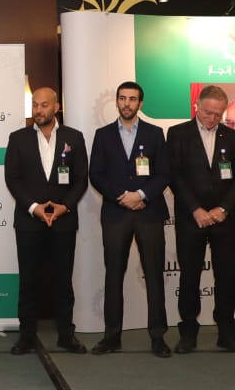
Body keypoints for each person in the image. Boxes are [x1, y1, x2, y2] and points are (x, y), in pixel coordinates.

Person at [88, 81, 172, 358]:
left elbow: (164, 173)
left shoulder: (155, 134)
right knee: (113, 275)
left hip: (149, 212)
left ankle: (158, 337)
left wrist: (142, 195)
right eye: (122, 98)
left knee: (154, 275)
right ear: (116, 101)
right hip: (116, 213)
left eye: (132, 99)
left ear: (140, 104)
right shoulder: (102, 135)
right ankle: (112, 337)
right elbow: (96, 174)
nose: (127, 103)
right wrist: (121, 197)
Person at [3, 87, 88, 355]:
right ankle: (27, 336)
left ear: (56, 107)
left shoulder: (74, 137)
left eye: (43, 105)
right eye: (35, 106)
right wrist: (34, 207)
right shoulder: (18, 138)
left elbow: (81, 179)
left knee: (63, 281)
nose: (38, 110)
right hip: (29, 221)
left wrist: (65, 207)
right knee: (29, 281)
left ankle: (66, 335)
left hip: (63, 221)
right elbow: (12, 178)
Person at [167, 85, 235, 355]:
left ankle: (227, 334)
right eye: (207, 112)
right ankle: (188, 334)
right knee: (189, 276)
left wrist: (223, 209)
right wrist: (196, 209)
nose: (212, 118)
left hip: (224, 219)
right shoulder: (178, 133)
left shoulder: (232, 136)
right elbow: (174, 175)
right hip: (191, 218)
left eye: (217, 114)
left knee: (225, 277)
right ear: (197, 107)